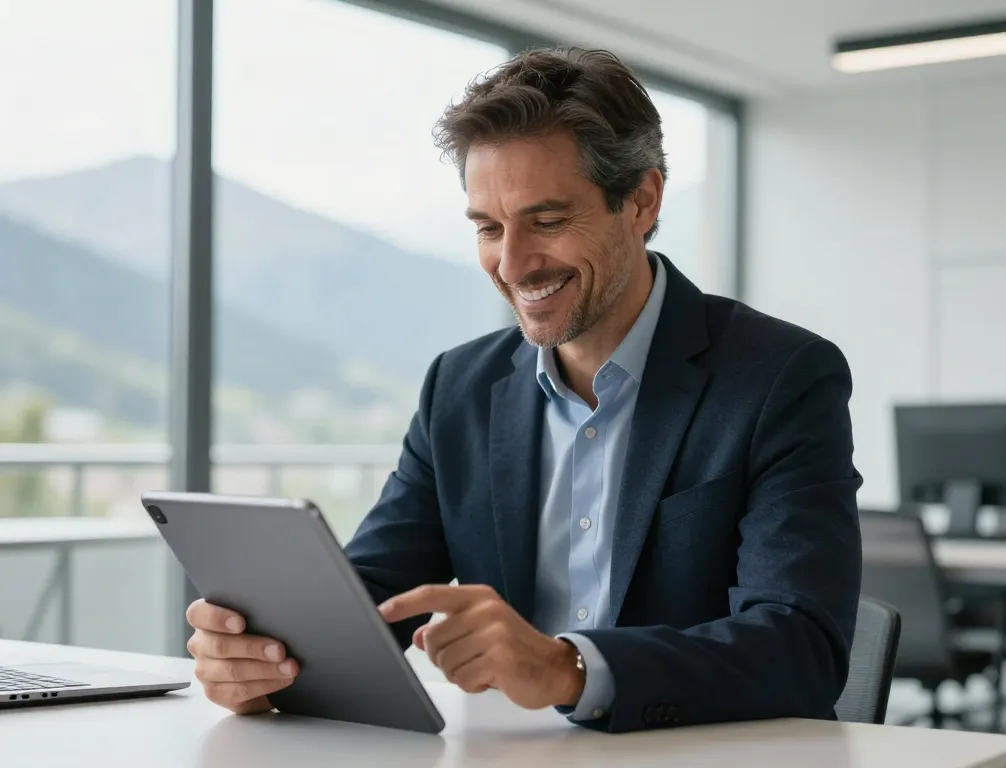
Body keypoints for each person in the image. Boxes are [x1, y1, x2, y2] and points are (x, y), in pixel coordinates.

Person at [185, 46, 862, 734]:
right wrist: (265, 657)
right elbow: (371, 601)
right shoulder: (460, 387)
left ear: (641, 200)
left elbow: (800, 647)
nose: (512, 265)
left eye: (547, 221)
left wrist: (570, 669)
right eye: (488, 228)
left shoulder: (780, 375)